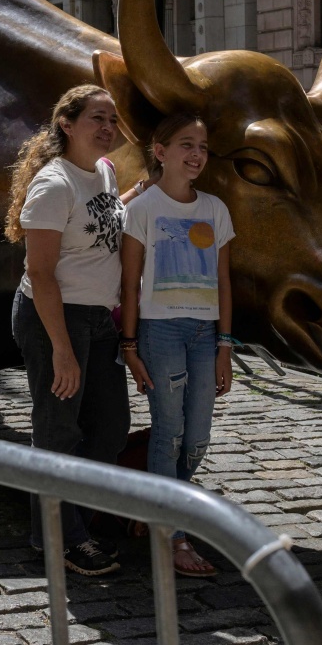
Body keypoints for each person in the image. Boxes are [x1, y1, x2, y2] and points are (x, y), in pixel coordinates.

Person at [5, 84, 130, 577]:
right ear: (67, 124)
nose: (108, 128)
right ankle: (62, 538)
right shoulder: (54, 185)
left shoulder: (104, 172)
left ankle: (69, 518)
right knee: (58, 430)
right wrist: (61, 349)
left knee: (110, 426)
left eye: (113, 119)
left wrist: (144, 191)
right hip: (54, 319)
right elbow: (40, 274)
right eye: (98, 118)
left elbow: (100, 224)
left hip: (97, 318)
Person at [119, 113, 233, 579]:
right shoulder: (142, 209)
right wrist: (129, 346)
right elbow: (129, 284)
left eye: (202, 147)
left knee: (198, 436)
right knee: (169, 432)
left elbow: (223, 281)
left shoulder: (215, 208)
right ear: (160, 151)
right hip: (159, 331)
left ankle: (159, 508)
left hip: (205, 334)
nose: (196, 154)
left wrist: (226, 344)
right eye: (187, 144)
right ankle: (173, 535)